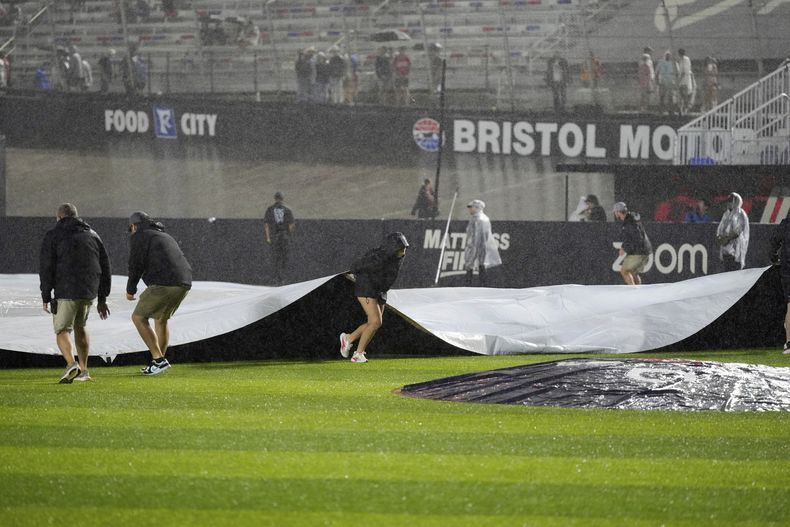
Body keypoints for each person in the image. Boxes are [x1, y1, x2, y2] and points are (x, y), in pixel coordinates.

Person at [39, 203, 111, 383]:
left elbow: (46, 267)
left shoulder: (54, 235)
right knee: (81, 326)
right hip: (88, 291)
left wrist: (46, 295)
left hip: (66, 289)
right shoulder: (92, 234)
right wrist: (102, 298)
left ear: (59, 217)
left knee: (62, 329)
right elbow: (105, 266)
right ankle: (85, 370)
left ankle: (72, 364)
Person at [126, 211, 193, 376]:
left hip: (165, 283)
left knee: (138, 317)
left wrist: (130, 289)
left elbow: (136, 264)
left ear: (134, 226)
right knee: (161, 320)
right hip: (184, 282)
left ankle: (158, 360)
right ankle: (158, 361)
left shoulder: (139, 236)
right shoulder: (164, 235)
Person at [338, 232, 409, 363]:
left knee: (374, 323)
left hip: (379, 290)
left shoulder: (394, 257)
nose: (404, 251)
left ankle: (348, 339)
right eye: (400, 248)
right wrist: (355, 273)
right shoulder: (378, 257)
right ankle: (358, 354)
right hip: (367, 289)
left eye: (404, 247)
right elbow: (357, 266)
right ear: (392, 248)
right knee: (376, 322)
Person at [464, 199, 502, 286]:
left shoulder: (477, 219)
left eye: (471, 207)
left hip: (476, 246)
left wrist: (471, 254)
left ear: (477, 208)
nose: (469, 209)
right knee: (482, 265)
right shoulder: (484, 218)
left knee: (471, 266)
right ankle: (482, 285)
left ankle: (468, 286)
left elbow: (475, 237)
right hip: (484, 246)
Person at [613, 202, 652, 285]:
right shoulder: (631, 220)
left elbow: (636, 238)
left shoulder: (629, 223)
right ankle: (638, 292)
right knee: (633, 272)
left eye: (615, 212)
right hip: (644, 250)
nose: (615, 213)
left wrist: (626, 248)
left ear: (619, 212)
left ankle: (633, 292)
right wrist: (624, 247)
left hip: (639, 252)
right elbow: (631, 238)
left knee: (624, 271)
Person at [768, 212, 790, 354]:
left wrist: (775, 257)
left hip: (787, 268)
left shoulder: (785, 225)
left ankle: (789, 342)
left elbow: (773, 244)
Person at [264, 191, 296, 285]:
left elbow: (266, 225)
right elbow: (291, 225)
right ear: (282, 198)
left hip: (274, 236)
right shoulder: (287, 210)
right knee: (284, 258)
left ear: (275, 198)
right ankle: (284, 279)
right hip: (285, 236)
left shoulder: (270, 209)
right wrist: (290, 235)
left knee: (276, 258)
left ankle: (277, 279)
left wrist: (268, 237)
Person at [716, 192, 749, 272]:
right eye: (728, 201)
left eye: (731, 201)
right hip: (726, 251)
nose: (729, 203)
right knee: (727, 273)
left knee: (735, 274)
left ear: (737, 202)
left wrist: (726, 239)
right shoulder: (726, 214)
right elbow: (720, 229)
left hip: (736, 251)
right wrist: (719, 237)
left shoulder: (741, 214)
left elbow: (738, 230)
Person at [655, 50, 678, 115]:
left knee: (671, 97)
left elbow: (677, 73)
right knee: (662, 96)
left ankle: (671, 110)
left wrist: (676, 82)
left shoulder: (674, 63)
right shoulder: (661, 62)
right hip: (662, 82)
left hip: (671, 82)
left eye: (669, 55)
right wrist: (657, 81)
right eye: (667, 55)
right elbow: (656, 72)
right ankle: (661, 110)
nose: (668, 56)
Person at [677, 48, 694, 115]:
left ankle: (685, 110)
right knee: (682, 95)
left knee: (685, 96)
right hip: (683, 81)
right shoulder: (682, 60)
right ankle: (682, 110)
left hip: (685, 80)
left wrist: (679, 80)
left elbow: (684, 72)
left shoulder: (685, 59)